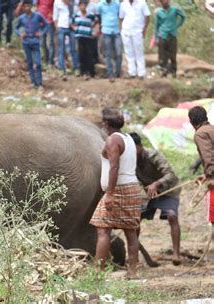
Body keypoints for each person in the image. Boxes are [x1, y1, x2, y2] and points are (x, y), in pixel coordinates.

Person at [90, 107, 141, 278]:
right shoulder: (129, 139)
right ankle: (132, 271)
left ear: (106, 124)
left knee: (103, 229)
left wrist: (110, 194)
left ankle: (98, 271)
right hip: (133, 187)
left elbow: (114, 167)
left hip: (118, 189)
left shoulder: (113, 140)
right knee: (131, 230)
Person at [129, 132, 182, 265]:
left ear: (140, 146)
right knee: (135, 220)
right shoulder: (128, 160)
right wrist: (141, 194)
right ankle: (133, 255)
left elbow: (171, 175)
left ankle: (176, 253)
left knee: (172, 216)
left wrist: (156, 184)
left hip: (167, 190)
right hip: (148, 194)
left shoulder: (153, 155)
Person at [14, 0, 48, 88]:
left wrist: (41, 33)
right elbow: (16, 28)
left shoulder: (37, 16)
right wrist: (20, 34)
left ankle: (40, 82)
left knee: (38, 63)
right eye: (25, 6)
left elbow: (46, 25)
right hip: (26, 42)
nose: (27, 8)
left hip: (35, 42)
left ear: (31, 6)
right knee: (29, 62)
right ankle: (33, 82)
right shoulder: (22, 18)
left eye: (28, 6)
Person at [188, 106, 214, 222]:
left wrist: (210, 176)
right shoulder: (212, 129)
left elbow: (209, 157)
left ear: (192, 121)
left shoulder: (200, 134)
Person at [119, 0, 150, 79]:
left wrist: (144, 29)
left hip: (138, 31)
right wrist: (122, 28)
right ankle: (132, 72)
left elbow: (147, 16)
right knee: (129, 53)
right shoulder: (123, 4)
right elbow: (121, 18)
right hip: (126, 31)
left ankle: (141, 73)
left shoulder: (142, 3)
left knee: (139, 53)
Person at [155, 0, 185, 78]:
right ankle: (164, 70)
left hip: (172, 34)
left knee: (173, 54)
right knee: (162, 54)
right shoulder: (159, 12)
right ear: (161, 2)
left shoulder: (174, 9)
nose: (165, 2)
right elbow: (157, 26)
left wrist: (177, 25)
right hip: (162, 34)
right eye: (163, 1)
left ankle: (173, 70)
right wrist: (156, 38)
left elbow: (183, 16)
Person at [54, 0, 80, 81]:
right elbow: (55, 16)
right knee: (61, 49)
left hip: (71, 27)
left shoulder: (73, 3)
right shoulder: (57, 2)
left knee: (73, 49)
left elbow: (76, 14)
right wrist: (57, 27)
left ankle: (76, 68)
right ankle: (62, 69)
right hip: (61, 27)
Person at [96, 0, 122, 81]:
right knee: (108, 53)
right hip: (106, 31)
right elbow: (98, 17)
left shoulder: (117, 3)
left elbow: (120, 15)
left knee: (119, 52)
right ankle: (110, 73)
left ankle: (118, 72)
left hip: (116, 31)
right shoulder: (100, 5)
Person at [72, 0, 97, 79]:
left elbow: (96, 22)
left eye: (84, 5)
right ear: (79, 6)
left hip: (88, 36)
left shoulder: (90, 15)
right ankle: (83, 72)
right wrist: (75, 29)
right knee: (81, 54)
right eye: (81, 5)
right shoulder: (76, 15)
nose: (83, 7)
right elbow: (72, 23)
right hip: (80, 36)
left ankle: (91, 72)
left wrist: (94, 31)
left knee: (89, 54)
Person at [37, 0, 55, 65]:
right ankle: (46, 59)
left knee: (50, 42)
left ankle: (50, 62)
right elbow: (37, 5)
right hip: (41, 22)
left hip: (49, 21)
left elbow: (55, 7)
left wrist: (52, 14)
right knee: (42, 42)